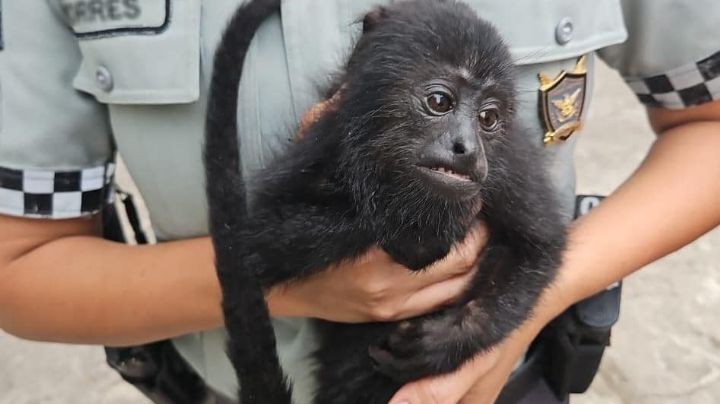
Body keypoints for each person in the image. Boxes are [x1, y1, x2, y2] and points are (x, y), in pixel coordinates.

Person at [0, 1, 718, 403]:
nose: (469, 143)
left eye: (485, 121)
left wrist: (498, 317)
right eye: (438, 103)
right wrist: (289, 283)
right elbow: (19, 262)